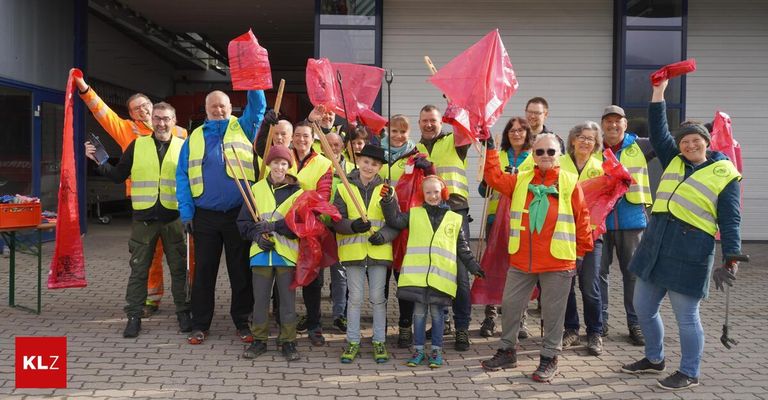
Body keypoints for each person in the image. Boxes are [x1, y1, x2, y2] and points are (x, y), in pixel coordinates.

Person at [620, 79, 742, 390]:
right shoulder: (672, 158)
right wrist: (658, 92)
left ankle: (689, 371)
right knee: (643, 307)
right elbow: (659, 129)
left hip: (691, 251)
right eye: (684, 141)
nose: (689, 146)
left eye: (695, 141)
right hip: (655, 244)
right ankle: (654, 358)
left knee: (687, 317)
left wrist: (731, 256)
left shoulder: (724, 174)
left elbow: (730, 219)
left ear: (707, 143)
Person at [480, 133, 593, 383]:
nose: (545, 156)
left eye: (550, 152)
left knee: (553, 314)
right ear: (532, 154)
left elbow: (582, 218)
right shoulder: (521, 180)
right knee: (509, 307)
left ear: (559, 155)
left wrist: (582, 252)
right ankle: (507, 350)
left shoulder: (569, 181)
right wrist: (490, 148)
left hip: (558, 261)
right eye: (539, 151)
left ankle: (549, 356)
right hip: (522, 259)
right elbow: (493, 178)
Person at [75, 75, 188, 317]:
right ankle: (151, 299)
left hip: (175, 207)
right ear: (131, 114)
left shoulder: (181, 133)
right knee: (150, 256)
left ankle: (185, 303)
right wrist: (85, 89)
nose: (142, 110)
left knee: (180, 260)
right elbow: (101, 112)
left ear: (153, 106)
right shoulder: (127, 130)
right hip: (145, 205)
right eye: (136, 109)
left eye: (145, 105)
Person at [176, 89, 266, 345]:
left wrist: (252, 79)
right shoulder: (193, 138)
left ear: (231, 107)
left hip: (239, 215)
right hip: (204, 216)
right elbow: (182, 176)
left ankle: (242, 321)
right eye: (214, 106)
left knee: (240, 271)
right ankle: (200, 324)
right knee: (203, 271)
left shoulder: (244, 128)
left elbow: (258, 106)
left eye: (223, 106)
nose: (219, 110)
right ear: (206, 109)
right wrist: (186, 212)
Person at [381, 175, 484, 368]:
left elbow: (462, 248)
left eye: (436, 191)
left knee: (437, 315)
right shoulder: (414, 214)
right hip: (418, 278)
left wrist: (474, 267)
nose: (433, 195)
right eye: (428, 192)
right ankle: (418, 351)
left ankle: (436, 351)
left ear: (443, 192)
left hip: (440, 279)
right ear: (422, 194)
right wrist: (388, 201)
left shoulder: (455, 218)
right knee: (418, 315)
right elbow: (394, 220)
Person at [236, 145, 303, 361]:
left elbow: (299, 225)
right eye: (276, 162)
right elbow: (243, 222)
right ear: (269, 164)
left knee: (287, 302)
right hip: (261, 254)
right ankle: (259, 341)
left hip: (286, 255)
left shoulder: (298, 192)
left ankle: (288, 341)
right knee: (260, 301)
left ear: (289, 166)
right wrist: (256, 237)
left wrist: (272, 227)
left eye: (284, 163)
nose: (279, 167)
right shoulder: (255, 189)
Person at [333, 145, 399, 363]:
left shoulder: (387, 189)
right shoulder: (344, 187)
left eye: (375, 164)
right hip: (353, 252)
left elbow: (395, 222)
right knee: (355, 298)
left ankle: (379, 340)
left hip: (379, 251)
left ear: (380, 167)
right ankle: (352, 340)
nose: (369, 167)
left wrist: (384, 235)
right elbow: (335, 220)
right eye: (366, 162)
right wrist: (352, 226)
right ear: (358, 161)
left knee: (378, 298)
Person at [415, 104, 472, 351]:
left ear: (442, 122)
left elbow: (466, 130)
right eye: (425, 120)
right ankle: (443, 322)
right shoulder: (413, 149)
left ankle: (462, 328)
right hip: (427, 214)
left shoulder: (454, 141)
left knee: (460, 275)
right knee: (435, 271)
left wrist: (457, 109)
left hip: (455, 212)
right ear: (419, 123)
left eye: (434, 120)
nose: (429, 124)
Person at [599, 104, 655, 345]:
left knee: (632, 275)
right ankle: (599, 324)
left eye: (617, 121)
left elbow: (669, 142)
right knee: (598, 275)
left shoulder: (641, 146)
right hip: (600, 221)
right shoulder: (593, 147)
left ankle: (636, 324)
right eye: (608, 121)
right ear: (602, 125)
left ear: (625, 124)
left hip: (632, 219)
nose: (613, 125)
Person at [378, 114, 434, 349]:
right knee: (380, 283)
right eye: (394, 131)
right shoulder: (376, 155)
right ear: (386, 133)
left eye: (403, 131)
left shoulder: (417, 156)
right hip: (379, 226)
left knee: (404, 281)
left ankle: (404, 326)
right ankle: (378, 330)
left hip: (407, 228)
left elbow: (434, 187)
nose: (398, 136)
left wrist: (429, 168)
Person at [477, 116, 534, 339]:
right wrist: (487, 182)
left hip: (523, 220)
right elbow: (484, 193)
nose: (516, 133)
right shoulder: (496, 156)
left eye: (521, 130)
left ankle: (520, 319)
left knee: (520, 270)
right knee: (493, 266)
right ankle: (490, 316)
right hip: (495, 219)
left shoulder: (534, 157)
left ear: (527, 133)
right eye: (512, 130)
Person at [559, 121, 605, 356]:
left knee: (590, 286)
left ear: (596, 144)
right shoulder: (560, 163)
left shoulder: (603, 166)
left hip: (592, 233)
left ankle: (595, 332)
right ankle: (571, 329)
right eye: (582, 137)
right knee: (566, 284)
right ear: (573, 140)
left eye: (591, 139)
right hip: (563, 233)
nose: (586, 141)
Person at [289, 120, 333, 346]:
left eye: (306, 135)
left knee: (312, 280)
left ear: (313, 138)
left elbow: (324, 196)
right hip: (284, 228)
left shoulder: (324, 163)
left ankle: (314, 325)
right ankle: (284, 324)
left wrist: (304, 205)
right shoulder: (283, 158)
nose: (301, 140)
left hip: (311, 228)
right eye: (297, 135)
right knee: (284, 276)